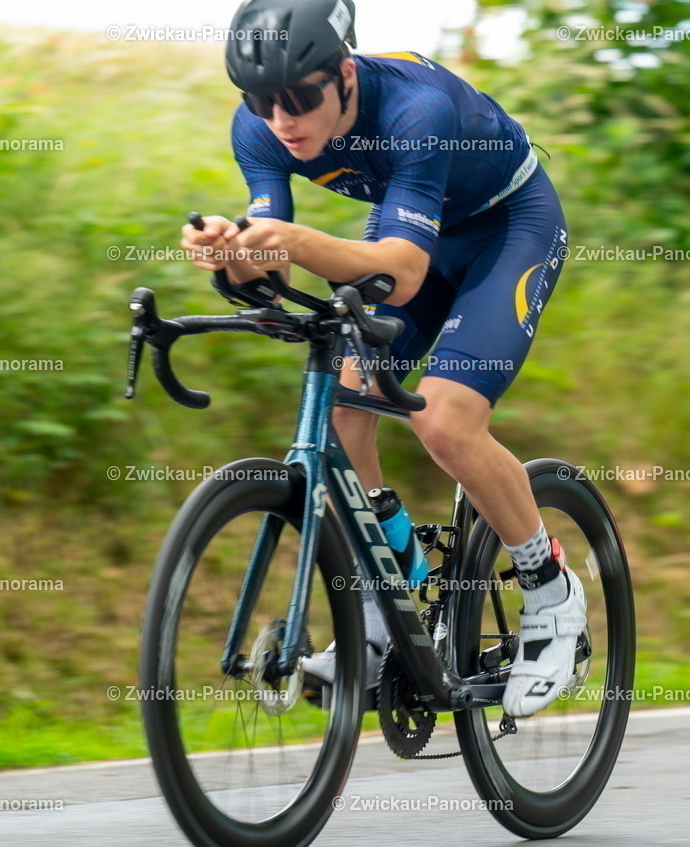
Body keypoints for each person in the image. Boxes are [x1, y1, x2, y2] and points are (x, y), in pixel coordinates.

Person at [181, 0, 584, 717]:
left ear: (343, 74)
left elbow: (398, 271)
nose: (283, 119)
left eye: (301, 96)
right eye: (261, 99)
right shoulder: (263, 130)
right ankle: (387, 596)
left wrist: (289, 243)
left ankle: (551, 589)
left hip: (508, 226)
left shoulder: (415, 110)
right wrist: (231, 255)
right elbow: (272, 266)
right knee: (344, 408)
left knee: (446, 421)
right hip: (417, 235)